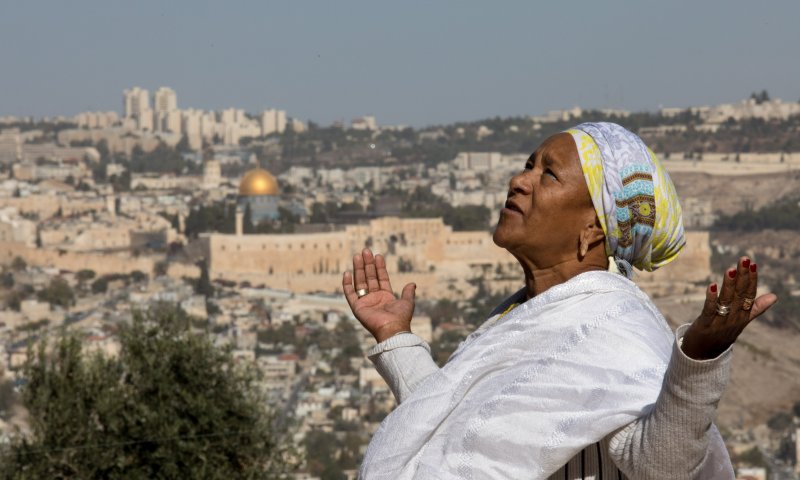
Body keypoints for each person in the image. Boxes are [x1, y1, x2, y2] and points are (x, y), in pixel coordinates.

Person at [341, 122, 777, 479]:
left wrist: (699, 360)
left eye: (548, 175)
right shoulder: (523, 315)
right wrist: (395, 338)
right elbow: (458, 438)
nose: (519, 181)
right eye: (528, 165)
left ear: (593, 229)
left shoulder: (610, 327)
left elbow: (662, 467)